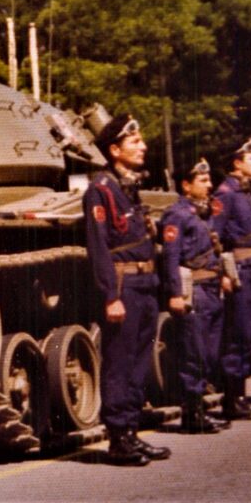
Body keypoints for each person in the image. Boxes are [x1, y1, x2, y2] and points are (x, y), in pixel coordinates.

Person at [84, 115, 169, 466]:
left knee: (137, 361)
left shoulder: (127, 188)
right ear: (115, 149)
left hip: (144, 284)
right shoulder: (100, 189)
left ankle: (132, 431)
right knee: (120, 362)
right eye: (134, 142)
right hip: (123, 286)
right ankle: (118, 438)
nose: (143, 146)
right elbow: (99, 247)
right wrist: (111, 296)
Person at [158, 158, 232, 434]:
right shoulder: (176, 215)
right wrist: (175, 293)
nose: (210, 184)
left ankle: (201, 406)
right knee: (195, 353)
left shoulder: (202, 214)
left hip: (211, 290)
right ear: (186, 186)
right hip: (195, 292)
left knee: (210, 353)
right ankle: (193, 413)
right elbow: (170, 256)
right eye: (203, 180)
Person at [211, 139, 251, 420]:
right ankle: (231, 399)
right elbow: (215, 237)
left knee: (249, 336)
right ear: (237, 163)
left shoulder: (245, 193)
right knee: (237, 336)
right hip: (239, 272)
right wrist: (224, 273)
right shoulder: (225, 194)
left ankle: (241, 395)